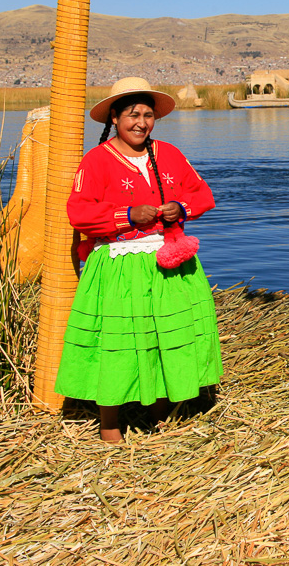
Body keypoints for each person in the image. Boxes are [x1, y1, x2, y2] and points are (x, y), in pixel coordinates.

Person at [54, 77, 222, 442]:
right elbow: (78, 213)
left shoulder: (169, 154)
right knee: (118, 340)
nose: (141, 123)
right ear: (114, 117)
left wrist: (181, 208)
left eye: (148, 115)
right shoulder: (97, 160)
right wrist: (127, 216)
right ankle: (110, 424)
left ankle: (161, 412)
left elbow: (203, 195)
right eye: (132, 115)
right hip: (120, 264)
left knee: (167, 334)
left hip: (168, 260)